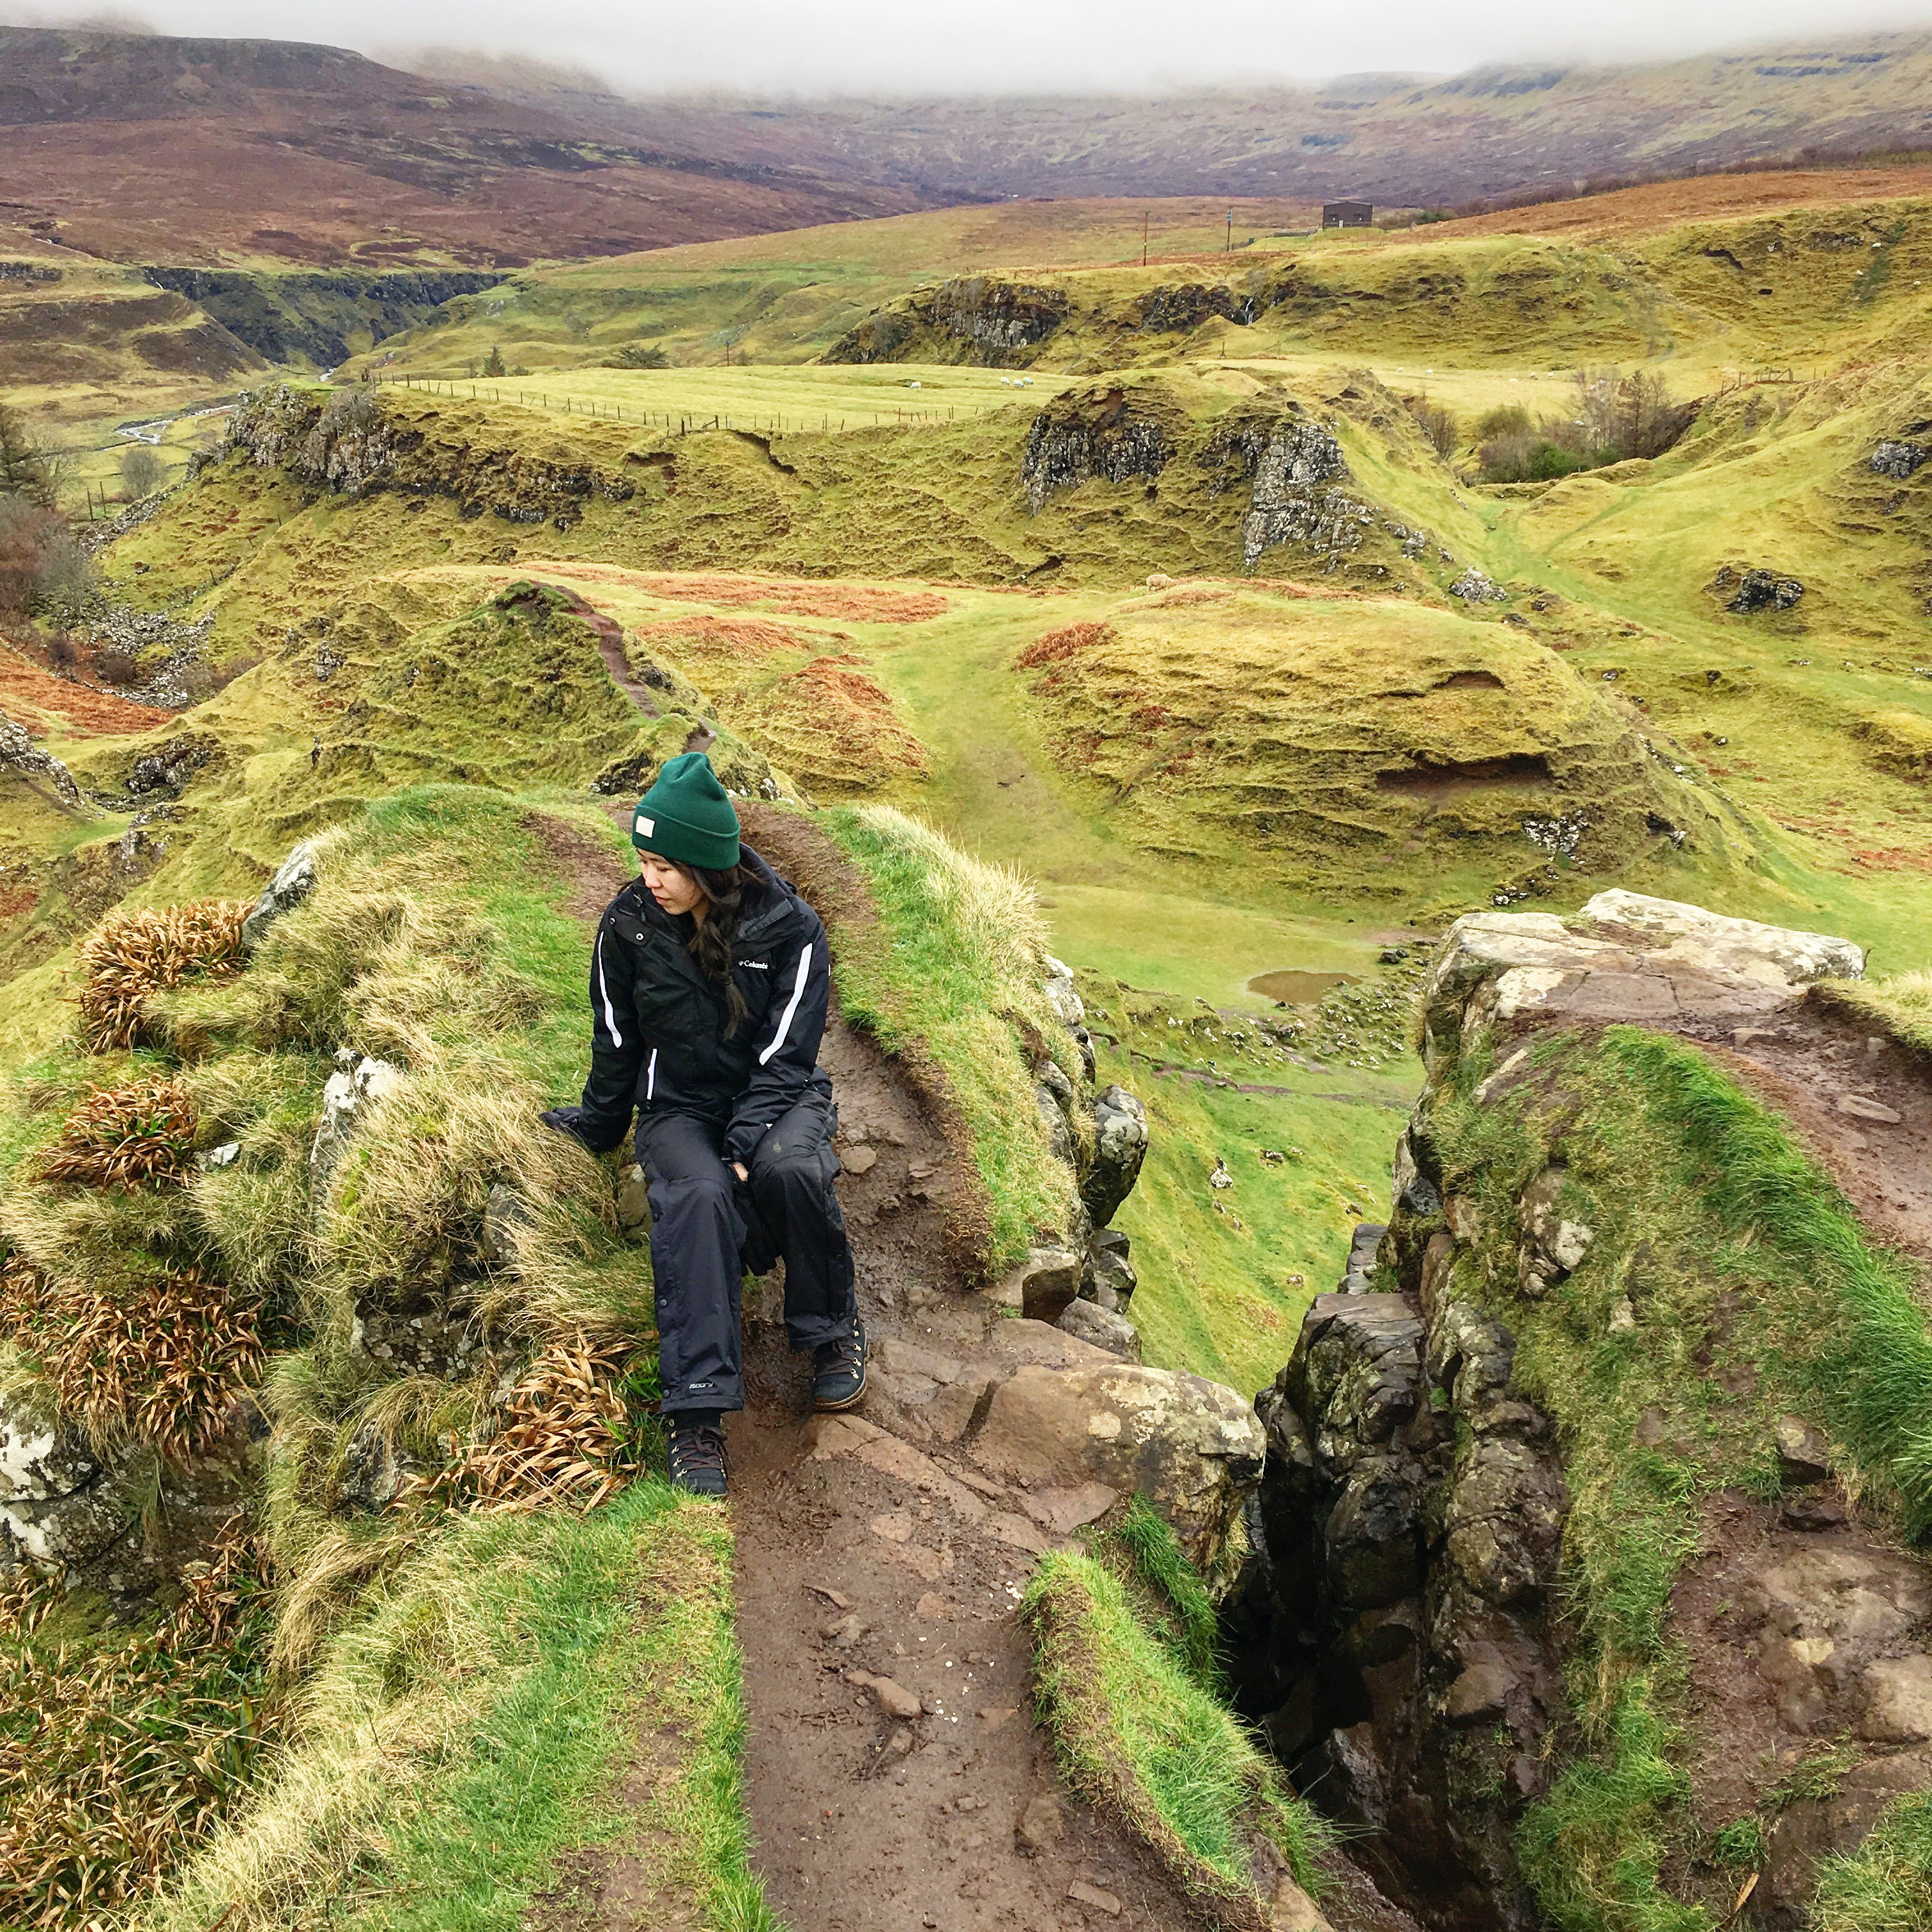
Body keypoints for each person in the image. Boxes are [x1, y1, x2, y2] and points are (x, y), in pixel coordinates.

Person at [541, 753, 866, 1497]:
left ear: (708, 866)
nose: (649, 879)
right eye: (644, 860)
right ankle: (697, 1415)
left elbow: (790, 1055)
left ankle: (829, 1329)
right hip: (678, 1104)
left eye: (664, 864)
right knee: (698, 1196)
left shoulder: (792, 928)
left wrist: (745, 1144)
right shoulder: (627, 926)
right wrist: (596, 1126)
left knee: (791, 1169)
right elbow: (616, 1041)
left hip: (777, 1093)